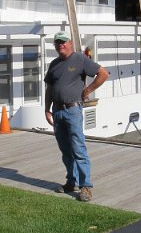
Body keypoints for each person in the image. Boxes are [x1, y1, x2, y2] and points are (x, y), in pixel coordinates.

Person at [44, 31, 109, 202]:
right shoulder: (54, 64)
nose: (61, 45)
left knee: (78, 149)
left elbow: (103, 74)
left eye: (64, 42)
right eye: (58, 42)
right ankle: (70, 182)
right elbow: (50, 89)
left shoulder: (80, 59)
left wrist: (87, 90)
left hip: (73, 111)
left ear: (70, 43)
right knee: (65, 150)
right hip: (57, 112)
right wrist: (47, 109)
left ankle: (86, 186)